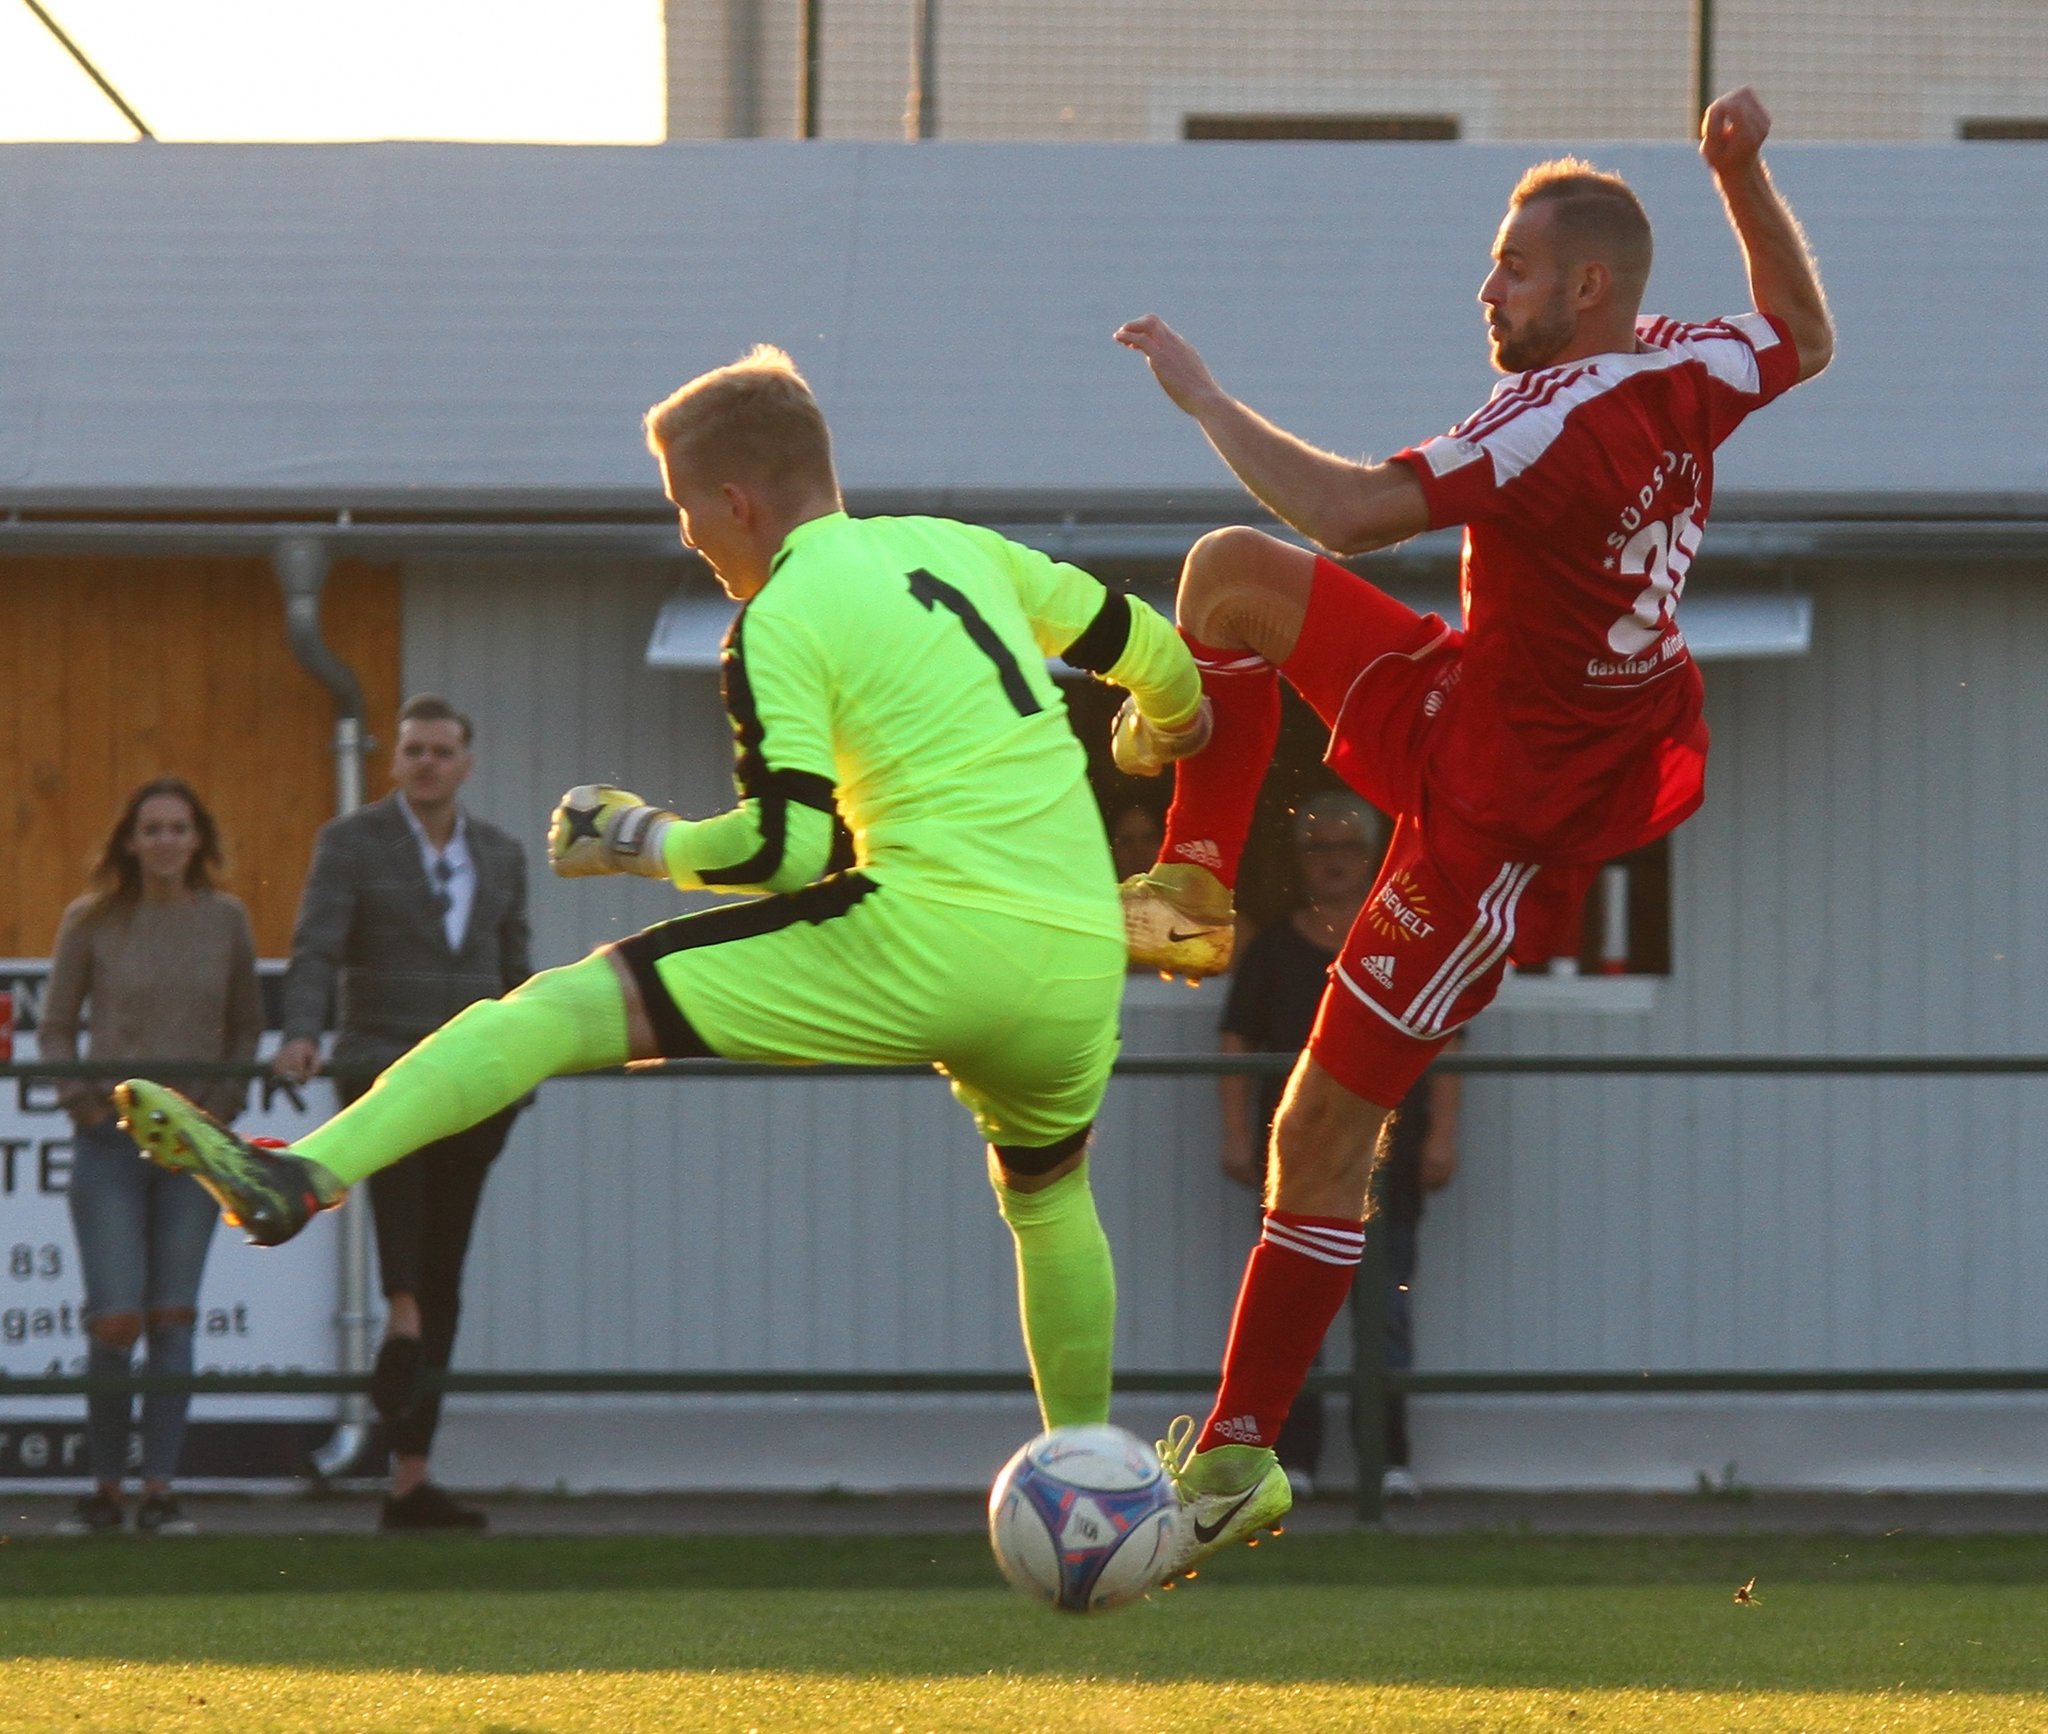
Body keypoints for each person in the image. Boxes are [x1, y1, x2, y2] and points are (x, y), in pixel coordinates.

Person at [116, 344, 1204, 1456]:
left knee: (551, 1014)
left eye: (685, 507)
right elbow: (1164, 661)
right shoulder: (964, 551)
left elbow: (790, 852)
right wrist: (1156, 733)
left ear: (735, 502)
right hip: (1077, 961)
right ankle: (1089, 1474)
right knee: (1048, 1199)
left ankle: (304, 1172)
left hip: (930, 941)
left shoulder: (777, 618)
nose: (685, 533)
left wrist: (640, 838)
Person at [1112, 87, 1833, 1569]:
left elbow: (1353, 511)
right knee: (1223, 575)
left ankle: (1239, 1455)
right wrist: (1742, 176)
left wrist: (1200, 393)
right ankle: (1191, 876)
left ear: (1584, 287)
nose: (1485, 286)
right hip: (1463, 698)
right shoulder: (1685, 365)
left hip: (1489, 831)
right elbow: (1802, 335)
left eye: (1509, 265)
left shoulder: (1543, 417)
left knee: (1317, 1134)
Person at [269, 694, 532, 1531]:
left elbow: (516, 965)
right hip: (383, 1064)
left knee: (446, 1267)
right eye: (414, 749)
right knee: (406, 1229)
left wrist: (531, 1062)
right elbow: (315, 947)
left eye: (441, 750)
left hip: (478, 1080)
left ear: (466, 762)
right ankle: (401, 1315)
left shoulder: (501, 852)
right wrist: (303, 1030)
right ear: (395, 762)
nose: (426, 762)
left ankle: (410, 1479)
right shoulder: (350, 843)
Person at [1217, 792, 1460, 1500]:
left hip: (1391, 1162)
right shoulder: (1273, 950)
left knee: (1385, 1311)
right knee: (1297, 1315)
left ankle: (1386, 1463)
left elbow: (1447, 1037)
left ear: (1373, 856)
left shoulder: (1405, 939)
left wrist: (1443, 1133)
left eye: (1348, 847)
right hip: (1298, 1166)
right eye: (1318, 847)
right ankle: (1290, 1462)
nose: (1333, 861)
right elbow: (1236, 1041)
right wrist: (1236, 1135)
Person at [39, 778, 262, 1536]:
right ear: (129, 842)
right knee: (114, 1321)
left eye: (178, 829)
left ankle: (161, 1491)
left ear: (197, 839)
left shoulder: (227, 920)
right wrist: (84, 1105)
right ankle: (103, 1490)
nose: (165, 842)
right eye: (151, 830)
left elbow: (245, 1029)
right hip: (108, 1142)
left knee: (173, 1317)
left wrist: (218, 1117)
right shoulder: (90, 920)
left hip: (191, 1149)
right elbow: (56, 1027)